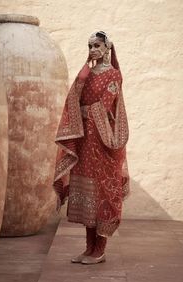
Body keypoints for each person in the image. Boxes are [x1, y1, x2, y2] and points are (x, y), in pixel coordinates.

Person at [53, 31, 129, 264]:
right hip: (84, 140)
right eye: (89, 46)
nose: (93, 49)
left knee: (103, 192)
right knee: (86, 191)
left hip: (103, 142)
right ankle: (89, 248)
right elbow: (73, 99)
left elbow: (104, 105)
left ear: (107, 48)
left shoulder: (114, 75)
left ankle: (100, 249)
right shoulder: (85, 74)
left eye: (97, 45)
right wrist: (82, 80)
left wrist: (83, 112)